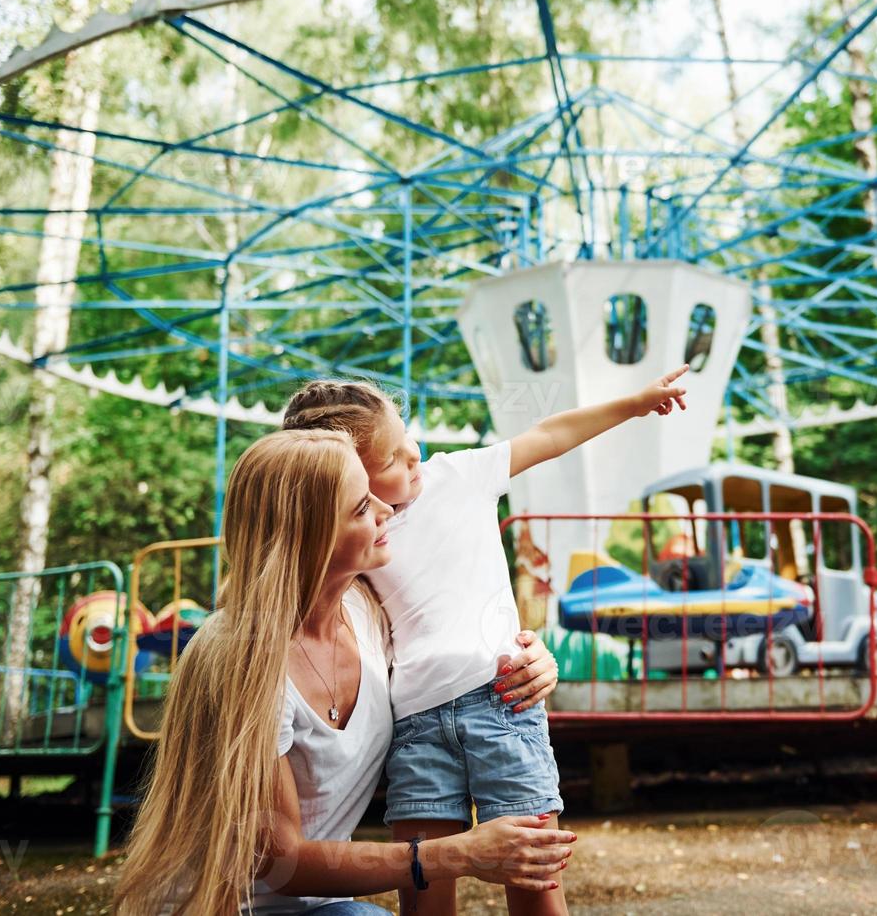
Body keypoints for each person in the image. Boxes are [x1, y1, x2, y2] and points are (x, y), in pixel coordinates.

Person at [281, 363, 689, 915]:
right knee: (425, 892)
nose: (415, 455)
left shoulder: (458, 476)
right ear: (348, 479)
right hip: (415, 722)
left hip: (503, 700)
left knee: (534, 880)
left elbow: (548, 435)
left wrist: (635, 403)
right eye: (393, 460)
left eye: (408, 440)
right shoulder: (359, 542)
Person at [115, 429, 573, 915]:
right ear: (308, 537)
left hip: (318, 907)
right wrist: (455, 854)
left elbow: (453, 636)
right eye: (360, 508)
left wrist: (530, 658)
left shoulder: (369, 616)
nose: (386, 510)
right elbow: (279, 862)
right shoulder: (239, 659)